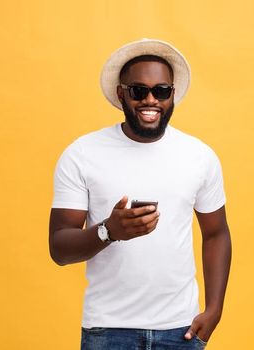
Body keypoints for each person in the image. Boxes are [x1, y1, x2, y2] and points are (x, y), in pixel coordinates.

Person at [49, 38, 232, 349]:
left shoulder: (199, 156)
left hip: (180, 330)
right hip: (108, 330)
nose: (151, 100)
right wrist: (109, 231)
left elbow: (216, 234)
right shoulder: (82, 154)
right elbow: (59, 248)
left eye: (162, 91)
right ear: (121, 93)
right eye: (139, 91)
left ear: (172, 95)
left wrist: (214, 310)